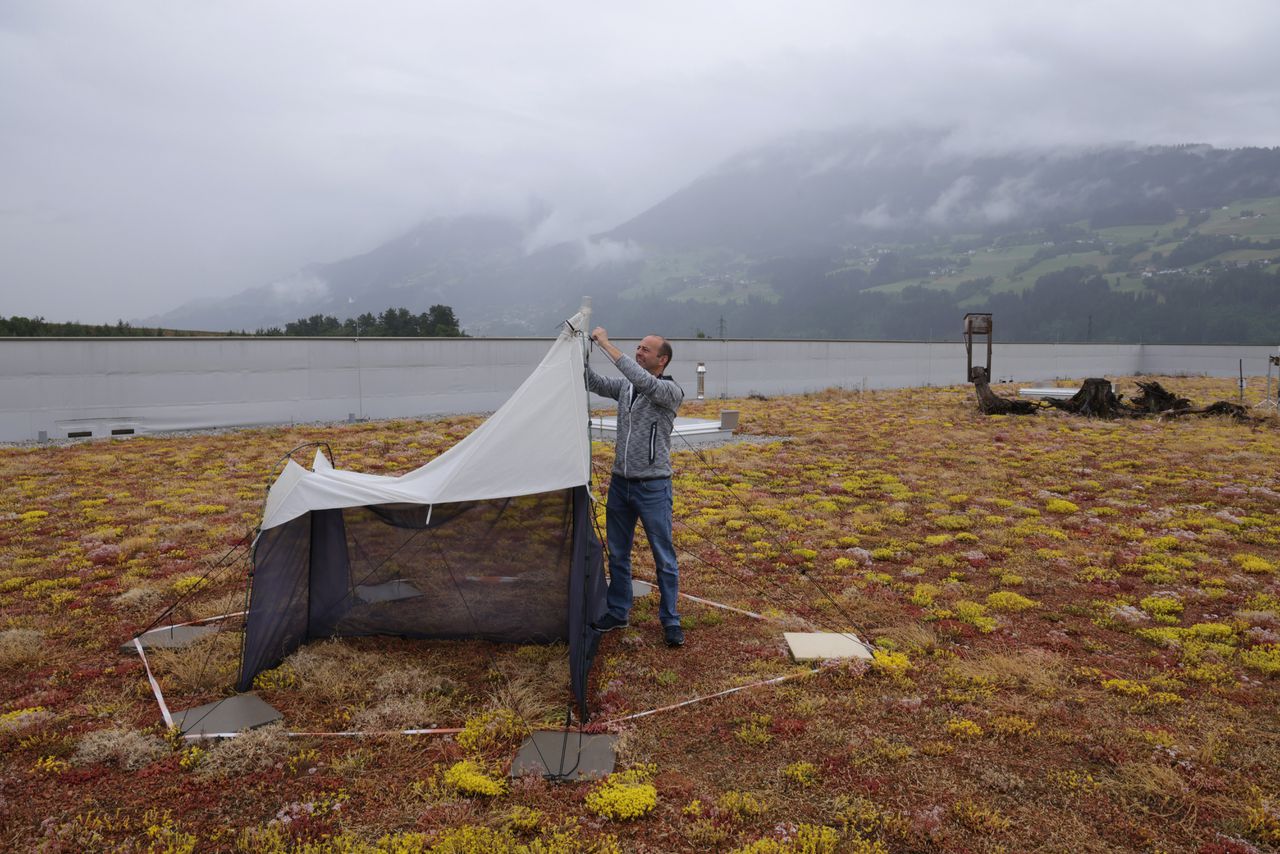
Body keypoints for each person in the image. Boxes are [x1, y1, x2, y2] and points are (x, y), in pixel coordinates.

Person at [586, 327, 686, 647]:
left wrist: (604, 344)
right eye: (638, 347)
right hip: (620, 484)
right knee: (618, 553)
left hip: (653, 487)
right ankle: (618, 611)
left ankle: (670, 620)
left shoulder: (668, 392)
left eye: (645, 350)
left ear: (662, 360)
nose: (639, 352)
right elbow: (596, 384)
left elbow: (640, 378)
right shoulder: (628, 388)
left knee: (664, 557)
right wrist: (577, 356)